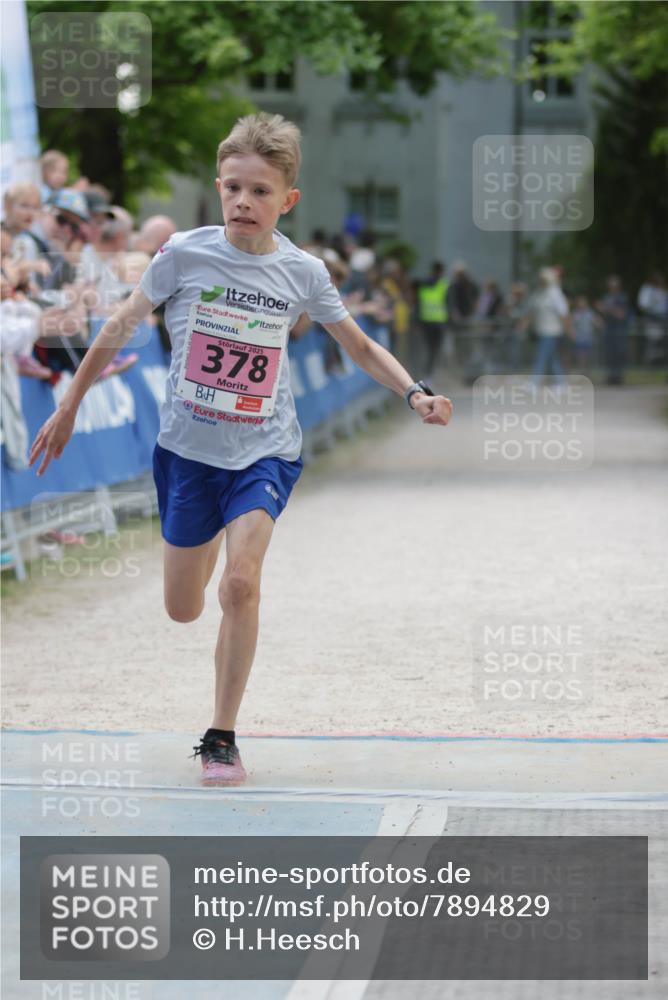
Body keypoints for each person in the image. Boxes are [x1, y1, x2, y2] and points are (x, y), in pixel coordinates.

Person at [29, 112, 452, 787]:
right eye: (232, 188)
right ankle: (197, 586)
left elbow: (362, 347)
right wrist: (70, 401)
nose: (243, 203)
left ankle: (221, 736)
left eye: (260, 191)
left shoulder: (304, 272)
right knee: (184, 606)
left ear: (287, 200)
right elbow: (119, 323)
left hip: (266, 449)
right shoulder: (184, 255)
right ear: (217, 188)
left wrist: (415, 393)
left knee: (242, 584)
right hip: (188, 452)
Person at [523, 267, 570, 386]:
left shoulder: (555, 293)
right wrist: (524, 324)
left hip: (552, 331)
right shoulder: (539, 293)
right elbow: (531, 311)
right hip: (542, 330)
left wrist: (569, 329)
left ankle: (534, 382)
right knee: (552, 359)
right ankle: (561, 383)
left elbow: (564, 313)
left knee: (541, 356)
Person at [596, 275, 631, 386]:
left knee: (619, 352)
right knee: (609, 353)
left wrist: (607, 308)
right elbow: (605, 312)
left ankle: (618, 377)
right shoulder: (607, 297)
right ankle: (611, 376)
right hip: (609, 328)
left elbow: (621, 314)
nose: (611, 287)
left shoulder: (622, 298)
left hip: (619, 329)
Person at [417, 261, 449, 375]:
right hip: (439, 322)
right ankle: (431, 372)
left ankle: (427, 372)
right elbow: (449, 303)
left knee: (428, 349)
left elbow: (418, 303)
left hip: (425, 321)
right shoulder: (444, 285)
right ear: (441, 271)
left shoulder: (422, 284)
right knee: (436, 350)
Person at [637, 272, 667, 365]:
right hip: (652, 318)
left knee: (663, 342)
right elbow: (643, 305)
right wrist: (654, 300)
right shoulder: (647, 289)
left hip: (663, 318)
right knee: (652, 342)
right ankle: (650, 363)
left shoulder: (663, 290)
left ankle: (662, 362)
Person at [571, 294, 601, 372]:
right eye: (580, 302)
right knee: (581, 356)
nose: (581, 304)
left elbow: (597, 322)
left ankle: (587, 372)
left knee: (588, 357)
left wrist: (599, 323)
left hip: (588, 338)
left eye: (583, 302)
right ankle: (582, 371)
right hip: (579, 338)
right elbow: (572, 324)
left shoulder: (589, 313)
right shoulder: (575, 313)